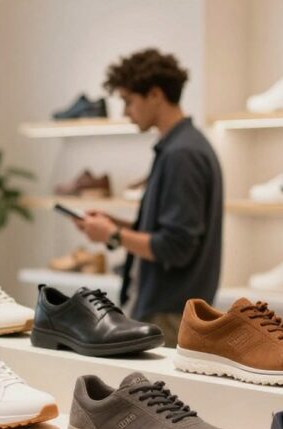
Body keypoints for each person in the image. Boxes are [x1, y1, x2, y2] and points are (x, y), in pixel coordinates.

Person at [74, 48, 223, 347]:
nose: (126, 112)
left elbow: (176, 246)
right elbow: (167, 230)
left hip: (169, 312)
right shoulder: (178, 148)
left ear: (155, 94)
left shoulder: (183, 154)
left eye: (129, 101)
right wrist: (114, 225)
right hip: (169, 307)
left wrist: (112, 234)